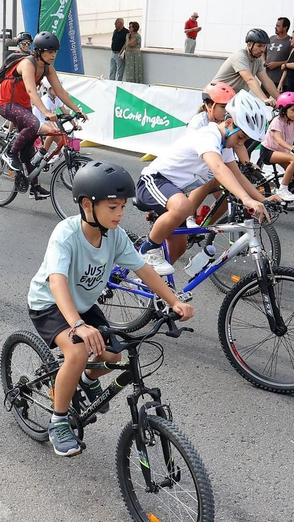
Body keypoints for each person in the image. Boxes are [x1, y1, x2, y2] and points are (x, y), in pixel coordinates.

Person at [26, 161, 194, 456]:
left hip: (83, 304)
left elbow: (144, 269)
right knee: (77, 351)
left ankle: (88, 379)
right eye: (113, 207)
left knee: (113, 354)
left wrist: (174, 301)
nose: (120, 214)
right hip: (51, 304)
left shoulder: (114, 236)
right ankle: (59, 420)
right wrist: (77, 324)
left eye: (123, 208)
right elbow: (57, 283)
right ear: (88, 205)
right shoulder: (66, 234)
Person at [134, 91, 270, 274]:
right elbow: (218, 169)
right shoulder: (208, 136)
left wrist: (264, 199)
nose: (240, 144)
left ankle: (150, 283)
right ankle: (148, 250)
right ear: (229, 123)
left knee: (179, 247)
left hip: (173, 192)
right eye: (240, 138)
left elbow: (237, 175)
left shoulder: (225, 146)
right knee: (184, 206)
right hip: (153, 181)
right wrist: (246, 199)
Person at [0, 31, 72, 200]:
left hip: (22, 105)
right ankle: (10, 154)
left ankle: (34, 187)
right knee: (34, 124)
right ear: (38, 51)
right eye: (49, 51)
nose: (53, 55)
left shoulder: (47, 67)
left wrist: (76, 111)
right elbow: (31, 90)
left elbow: (59, 91)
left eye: (54, 52)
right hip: (5, 102)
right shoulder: (27, 63)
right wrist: (45, 111)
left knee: (29, 146)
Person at [212, 28, 281, 100]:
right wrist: (264, 99)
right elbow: (250, 80)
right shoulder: (240, 57)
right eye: (259, 46)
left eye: (264, 46)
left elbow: (266, 81)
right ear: (249, 45)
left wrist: (280, 100)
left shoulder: (257, 60)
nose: (262, 50)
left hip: (232, 98)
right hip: (216, 95)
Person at [265, 18, 294, 84]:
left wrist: (277, 64)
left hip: (281, 80)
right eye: (276, 25)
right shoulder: (271, 38)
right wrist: (264, 61)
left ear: (285, 28)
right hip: (267, 78)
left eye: (278, 26)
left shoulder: (290, 42)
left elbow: (292, 60)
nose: (275, 28)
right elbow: (263, 53)